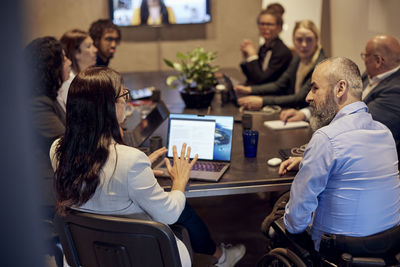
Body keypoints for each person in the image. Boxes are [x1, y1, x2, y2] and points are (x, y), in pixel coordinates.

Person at [50, 67, 246, 267]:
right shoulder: (130, 160)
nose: (126, 101)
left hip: (88, 255)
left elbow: (99, 184)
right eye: (123, 95)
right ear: (108, 106)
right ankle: (220, 257)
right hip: (141, 256)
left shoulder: (58, 149)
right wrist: (179, 182)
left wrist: (133, 172)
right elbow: (169, 214)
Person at [266, 57, 400, 252]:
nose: (308, 97)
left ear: (340, 89)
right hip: (386, 245)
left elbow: (296, 223)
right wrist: (309, 161)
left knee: (280, 215)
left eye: (314, 88)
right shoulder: (384, 133)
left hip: (336, 251)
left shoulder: (326, 139)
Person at [280, 35, 400, 151]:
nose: (363, 60)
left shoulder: (396, 90)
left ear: (378, 61)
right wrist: (305, 113)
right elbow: (335, 100)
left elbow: (359, 123)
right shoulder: (369, 75)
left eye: (365, 55)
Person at [25, 36, 72, 266]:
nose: (69, 63)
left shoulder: (47, 99)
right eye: (64, 59)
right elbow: (66, 143)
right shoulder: (37, 103)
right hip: (47, 194)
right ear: (51, 67)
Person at [235, 20, 326, 110]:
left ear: (316, 41)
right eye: (299, 40)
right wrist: (249, 90)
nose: (304, 44)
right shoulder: (297, 58)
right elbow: (279, 84)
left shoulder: (320, 64)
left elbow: (300, 98)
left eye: (309, 40)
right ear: (293, 41)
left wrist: (262, 101)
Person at [240, 3, 292, 85]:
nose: (265, 28)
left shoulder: (282, 51)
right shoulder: (263, 47)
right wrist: (246, 57)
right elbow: (251, 76)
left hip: (272, 95)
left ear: (279, 28)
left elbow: (262, 80)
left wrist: (253, 56)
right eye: (262, 24)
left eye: (269, 24)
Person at [58, 29, 98, 111]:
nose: (95, 50)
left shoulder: (85, 77)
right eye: (89, 46)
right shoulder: (69, 83)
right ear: (75, 53)